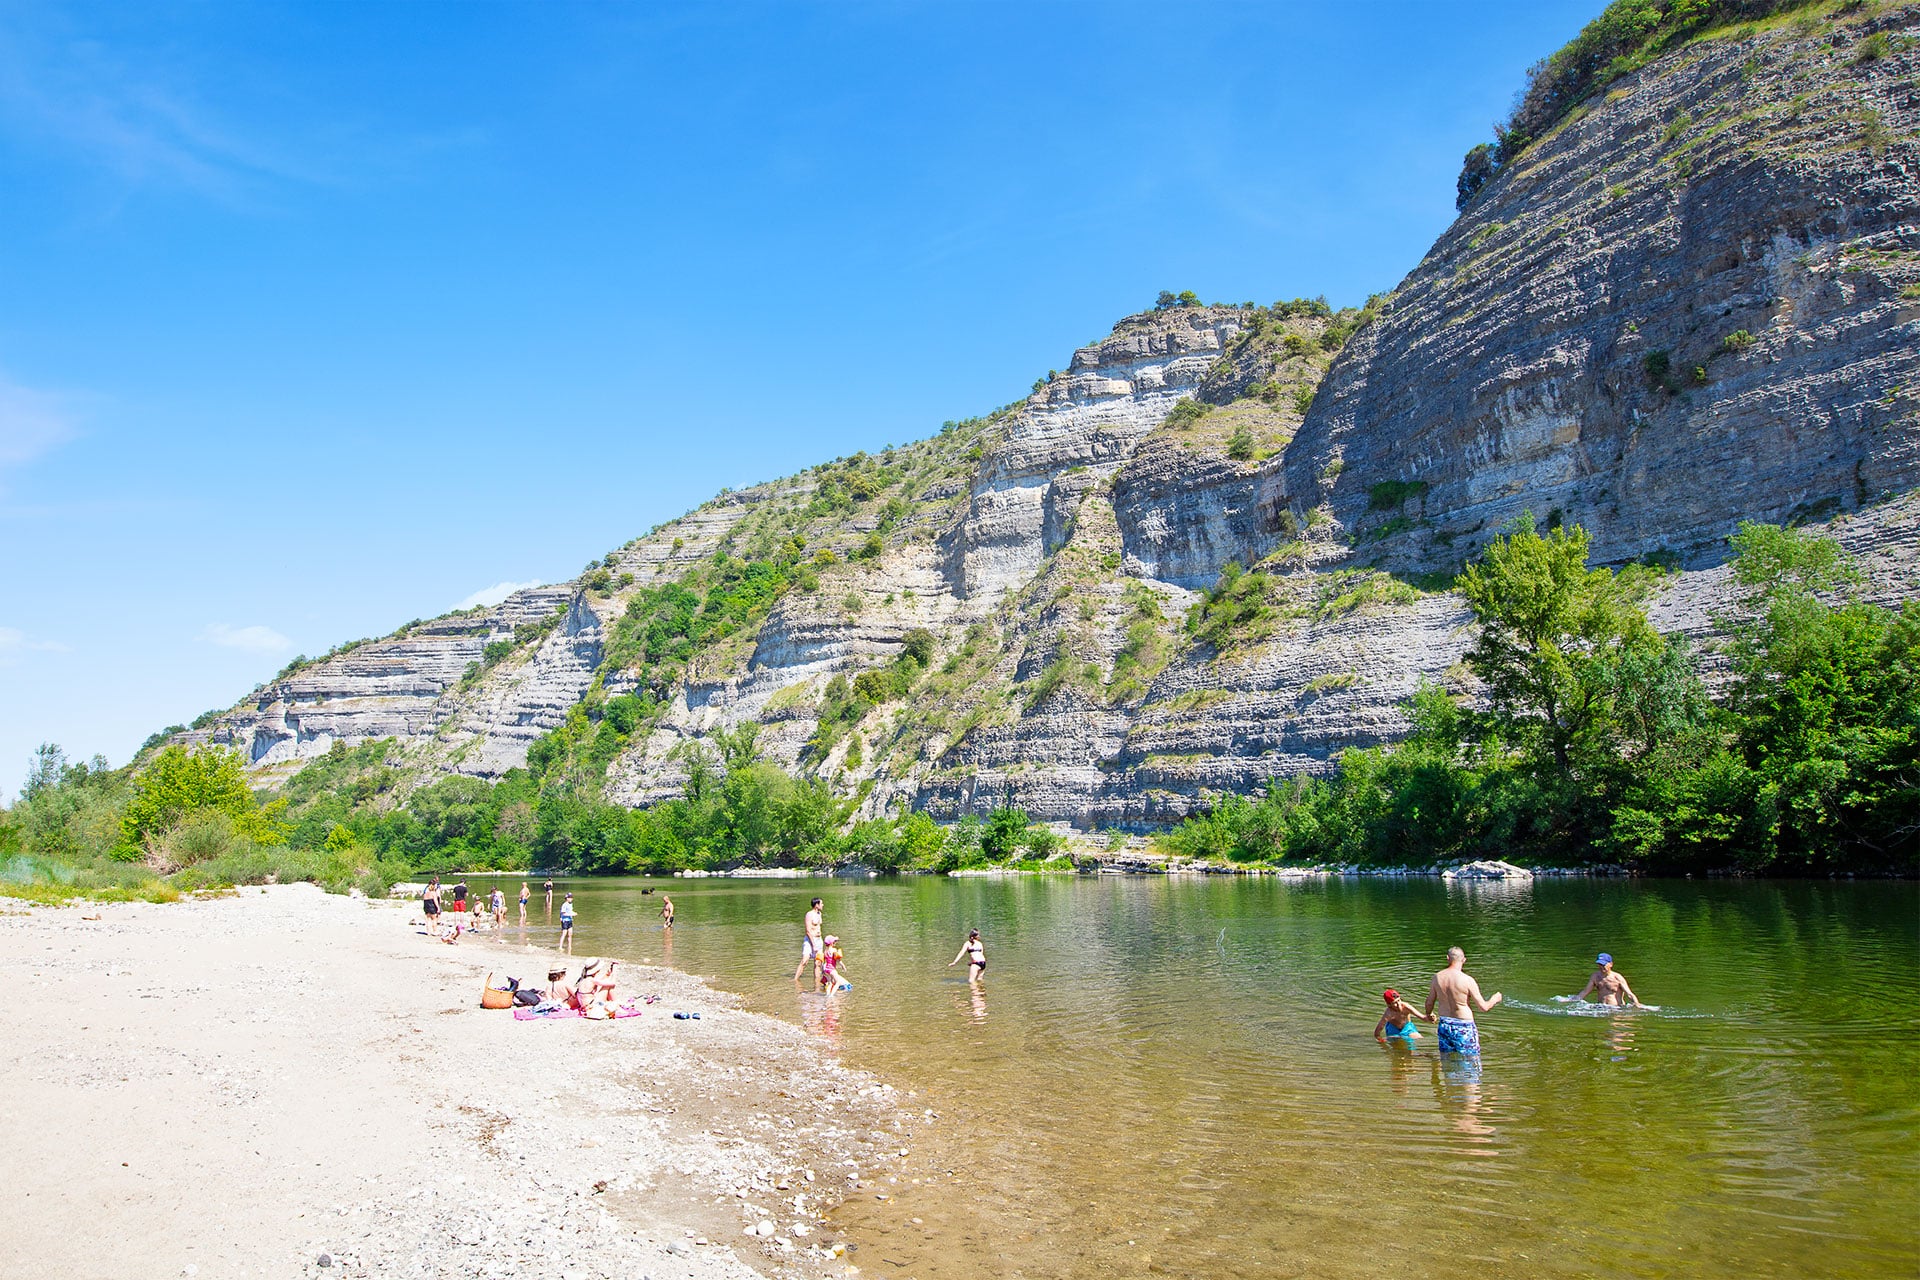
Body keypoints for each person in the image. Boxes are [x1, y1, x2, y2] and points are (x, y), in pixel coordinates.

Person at [1425, 946, 1502, 1055]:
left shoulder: (1437, 977)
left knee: (1448, 1060)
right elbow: (1483, 1007)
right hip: (1463, 1025)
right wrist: (1495, 999)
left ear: (1447, 958)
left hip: (1445, 1023)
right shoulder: (1467, 980)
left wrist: (1429, 1014)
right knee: (1470, 1060)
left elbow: (1429, 1002)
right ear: (1464, 960)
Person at [1576, 953, 1643, 1008]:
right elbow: (1585, 991)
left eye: (1603, 964)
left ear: (1611, 964)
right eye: (1599, 964)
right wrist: (1574, 1000)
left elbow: (1629, 994)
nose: (1601, 967)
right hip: (1601, 1008)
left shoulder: (1617, 977)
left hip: (1616, 1008)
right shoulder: (1595, 976)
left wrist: (1636, 1004)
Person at [794, 897, 825, 986]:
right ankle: (795, 980)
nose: (823, 905)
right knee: (805, 960)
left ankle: (817, 985)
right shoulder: (809, 915)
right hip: (810, 940)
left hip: (819, 940)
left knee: (818, 962)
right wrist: (813, 944)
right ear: (816, 905)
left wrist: (818, 943)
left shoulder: (819, 914)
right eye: (821, 903)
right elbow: (808, 931)